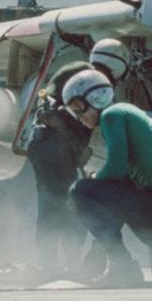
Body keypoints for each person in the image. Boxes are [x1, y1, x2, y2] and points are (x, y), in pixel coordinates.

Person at [64, 69, 152, 287]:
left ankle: (122, 266)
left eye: (79, 108)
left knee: (81, 191)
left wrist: (94, 176)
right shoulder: (129, 113)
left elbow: (116, 169)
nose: (79, 118)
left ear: (96, 98)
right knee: (128, 202)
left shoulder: (112, 115)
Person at [27, 39, 130, 276]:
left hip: (52, 147)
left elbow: (49, 101)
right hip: (52, 146)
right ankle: (56, 264)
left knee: (58, 202)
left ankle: (57, 263)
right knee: (57, 203)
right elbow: (49, 109)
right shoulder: (89, 79)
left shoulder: (75, 72)